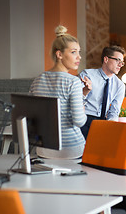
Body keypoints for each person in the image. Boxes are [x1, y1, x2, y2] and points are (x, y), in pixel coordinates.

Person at [30, 25, 87, 159]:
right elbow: (79, 121)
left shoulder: (38, 80)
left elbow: (32, 115)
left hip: (43, 149)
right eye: (73, 52)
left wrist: (82, 94)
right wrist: (83, 107)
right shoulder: (73, 82)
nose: (79, 57)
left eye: (79, 52)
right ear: (59, 54)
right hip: (71, 150)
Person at [79, 45, 126, 139]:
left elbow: (114, 111)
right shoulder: (87, 75)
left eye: (122, 62)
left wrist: (110, 125)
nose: (120, 65)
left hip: (104, 122)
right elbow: (76, 100)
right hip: (84, 119)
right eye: (117, 60)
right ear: (106, 59)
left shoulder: (120, 85)